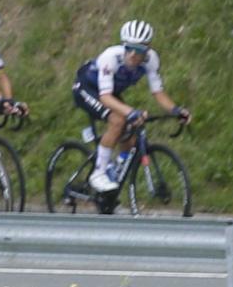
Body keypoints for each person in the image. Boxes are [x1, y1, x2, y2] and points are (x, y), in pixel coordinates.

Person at [73, 20, 188, 194]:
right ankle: (98, 173)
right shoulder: (110, 57)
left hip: (110, 91)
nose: (133, 54)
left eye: (139, 50)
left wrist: (176, 110)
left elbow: (158, 92)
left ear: (147, 49)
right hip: (87, 88)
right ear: (123, 45)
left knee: (131, 134)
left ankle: (115, 170)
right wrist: (131, 112)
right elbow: (105, 97)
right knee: (119, 120)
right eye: (129, 48)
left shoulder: (151, 60)